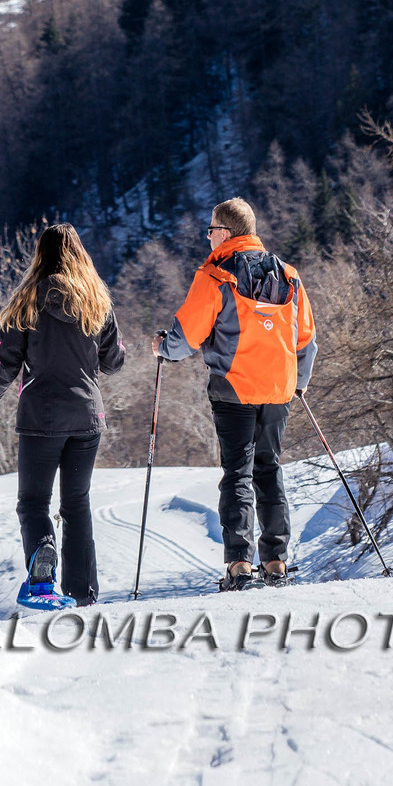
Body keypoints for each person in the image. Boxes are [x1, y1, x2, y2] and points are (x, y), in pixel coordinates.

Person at [156, 197, 316, 591]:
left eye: (211, 230)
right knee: (269, 469)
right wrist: (299, 381)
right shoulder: (289, 276)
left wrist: (163, 348)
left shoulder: (214, 276)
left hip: (233, 388)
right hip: (278, 389)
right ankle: (276, 562)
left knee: (238, 475)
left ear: (225, 233)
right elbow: (306, 339)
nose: (208, 237)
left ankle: (239, 566)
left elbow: (187, 336)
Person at [0, 222, 124, 606]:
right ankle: (84, 591)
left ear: (40, 256)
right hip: (87, 418)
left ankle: (42, 578)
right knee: (76, 503)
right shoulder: (97, 301)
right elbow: (113, 362)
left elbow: (4, 366)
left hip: (40, 419)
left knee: (32, 503)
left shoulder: (25, 301)